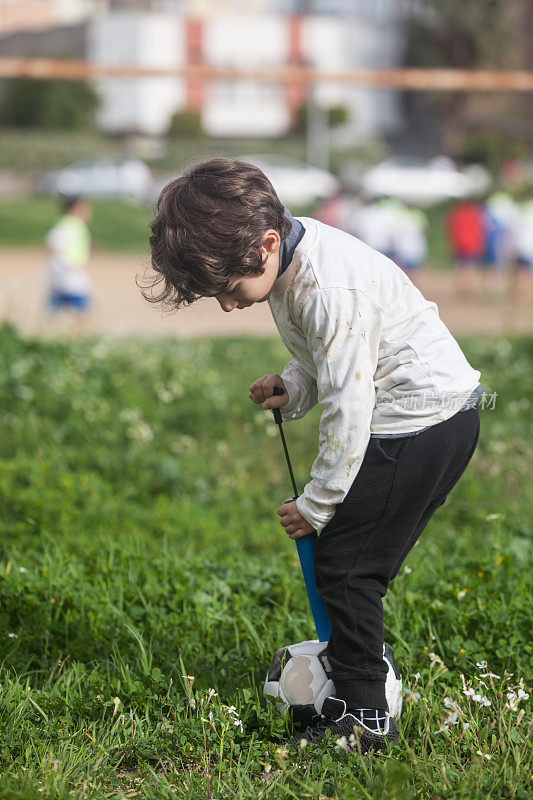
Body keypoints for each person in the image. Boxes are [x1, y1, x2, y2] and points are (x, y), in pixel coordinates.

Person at [142, 159, 482, 755]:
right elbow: (328, 360)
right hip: (426, 417)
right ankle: (361, 674)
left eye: (227, 289)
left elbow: (350, 405)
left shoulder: (326, 286)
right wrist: (293, 387)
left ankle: (367, 725)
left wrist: (318, 504)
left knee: (346, 567)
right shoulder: (291, 266)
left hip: (425, 422)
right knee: (354, 567)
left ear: (267, 243)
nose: (225, 305)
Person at [44, 195, 92, 315]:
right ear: (75, 208)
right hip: (70, 274)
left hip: (64, 275)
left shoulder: (75, 225)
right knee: (83, 312)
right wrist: (65, 264)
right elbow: (53, 244)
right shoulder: (69, 225)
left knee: (54, 311)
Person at [446, 200, 485, 296]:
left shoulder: (456, 214)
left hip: (459, 244)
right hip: (471, 244)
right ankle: (467, 286)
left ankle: (461, 286)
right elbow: (479, 230)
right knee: (469, 267)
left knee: (460, 266)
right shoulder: (475, 214)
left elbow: (451, 229)